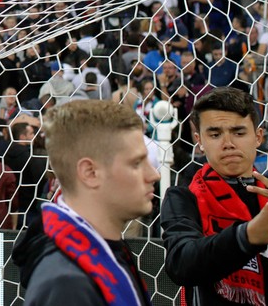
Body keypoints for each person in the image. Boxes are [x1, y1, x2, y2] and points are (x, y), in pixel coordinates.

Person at [161, 87, 268, 306]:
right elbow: (180, 263)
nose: (228, 143)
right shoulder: (184, 196)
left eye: (239, 133)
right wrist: (247, 236)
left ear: (258, 137)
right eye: (215, 134)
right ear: (199, 141)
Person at [11, 100, 158, 306]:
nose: (154, 175)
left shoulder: (108, 252)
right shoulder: (67, 286)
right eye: (136, 163)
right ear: (90, 173)